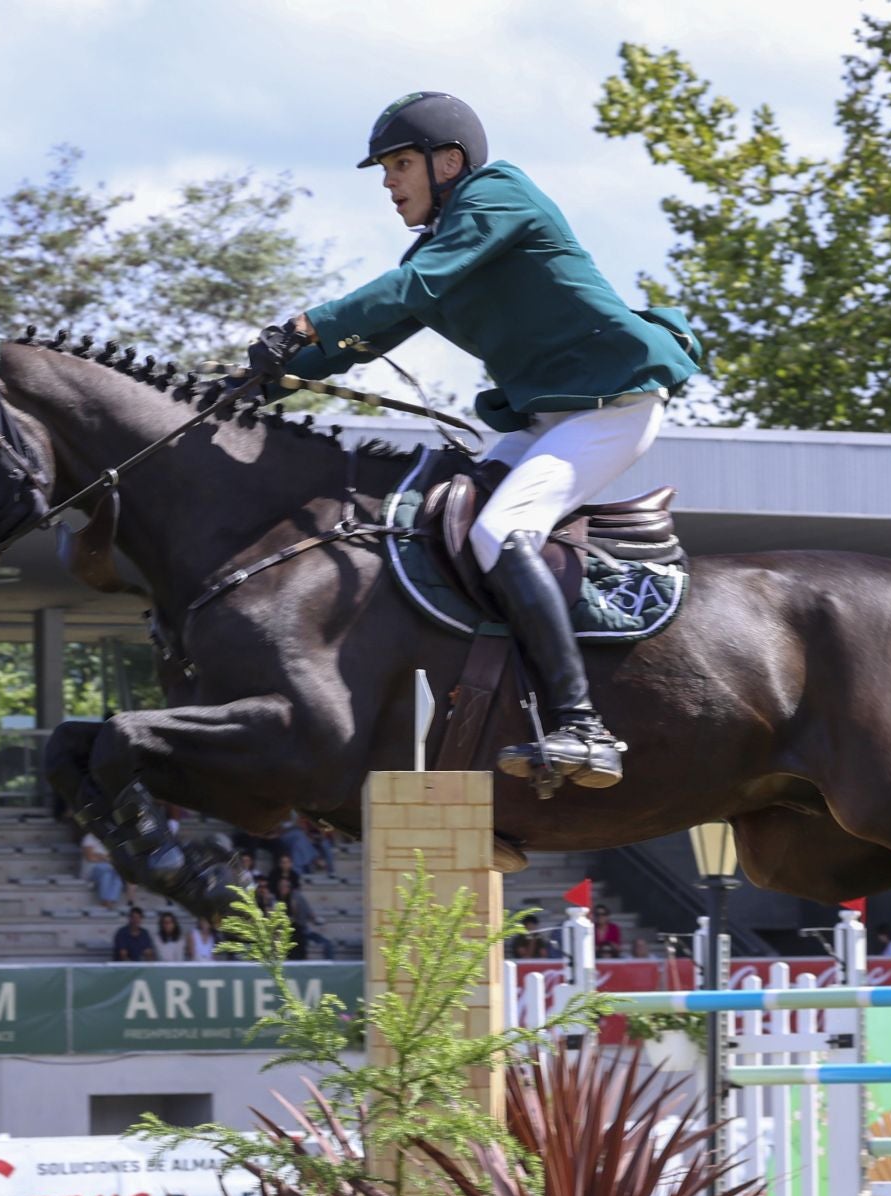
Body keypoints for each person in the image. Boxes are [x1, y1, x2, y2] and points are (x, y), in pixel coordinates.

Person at [250, 92, 698, 790]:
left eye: (400, 165)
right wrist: (260, 382)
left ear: (450, 162)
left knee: (500, 533)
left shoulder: (499, 195)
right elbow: (367, 337)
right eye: (385, 171)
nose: (388, 183)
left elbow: (410, 287)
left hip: (613, 406)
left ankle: (584, 725)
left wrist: (308, 322)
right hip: (546, 420)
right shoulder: (440, 244)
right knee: (436, 525)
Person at [79, 830, 126, 908]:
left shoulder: (110, 839)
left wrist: (100, 856)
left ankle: (111, 900)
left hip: (109, 868)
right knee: (106, 874)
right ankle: (105, 901)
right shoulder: (89, 837)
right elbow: (90, 857)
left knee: (118, 874)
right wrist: (104, 857)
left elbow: (113, 858)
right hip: (92, 868)